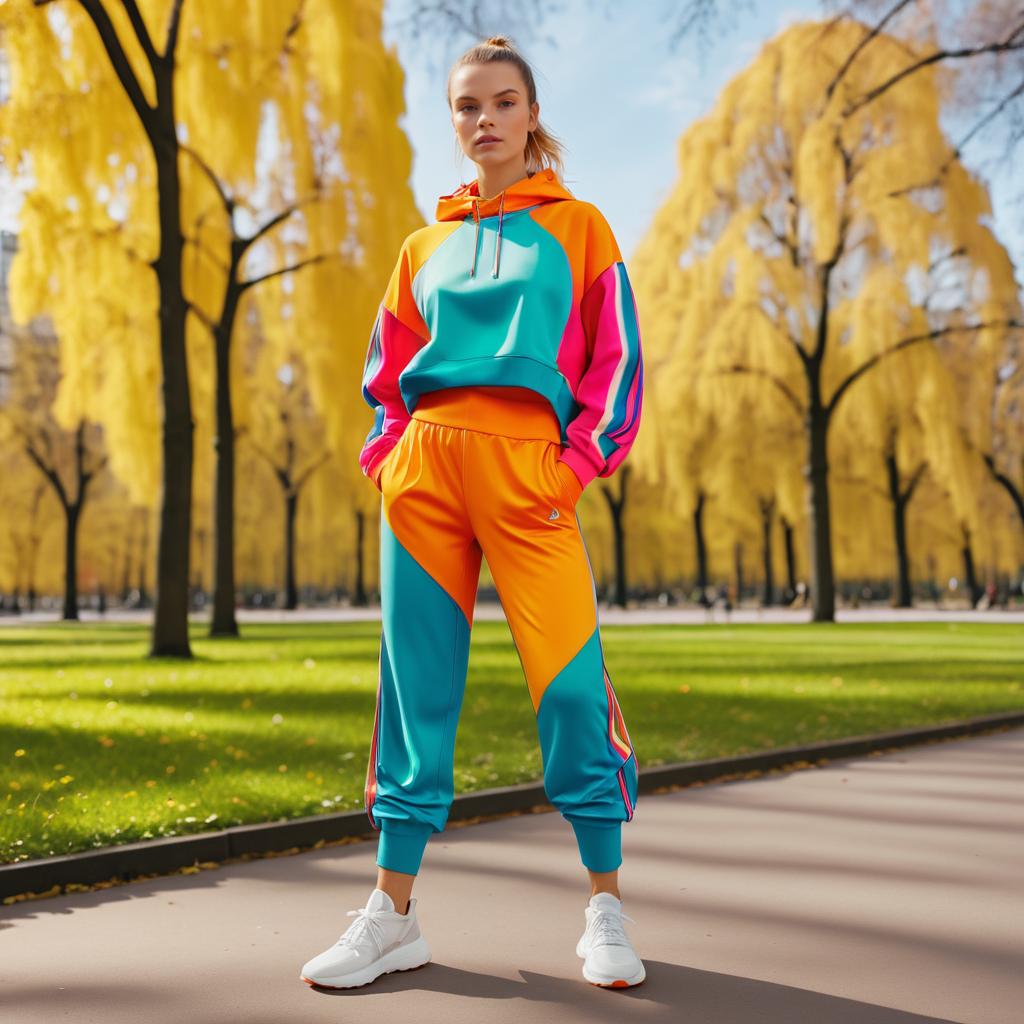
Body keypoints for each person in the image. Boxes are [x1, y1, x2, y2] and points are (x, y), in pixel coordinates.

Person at [300, 33, 645, 991]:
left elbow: (617, 364)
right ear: (453, 123)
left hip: (533, 473)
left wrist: (574, 466)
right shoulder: (423, 247)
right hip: (427, 479)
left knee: (571, 686)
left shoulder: (582, 229)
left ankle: (606, 907)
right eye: (466, 107)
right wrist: (389, 456)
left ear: (532, 115)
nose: (483, 119)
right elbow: (384, 372)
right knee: (414, 692)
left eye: (501, 102)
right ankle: (391, 915)